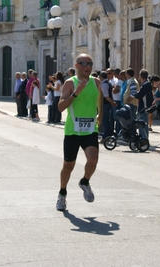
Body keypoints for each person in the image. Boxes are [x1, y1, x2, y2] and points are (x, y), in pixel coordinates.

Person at [56, 53, 103, 211]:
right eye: (84, 64)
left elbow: (99, 98)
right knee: (68, 166)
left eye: (90, 64)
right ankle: (62, 194)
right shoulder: (70, 83)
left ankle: (85, 181)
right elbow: (61, 107)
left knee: (93, 160)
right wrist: (76, 92)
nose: (88, 67)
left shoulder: (96, 82)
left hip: (90, 129)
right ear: (76, 66)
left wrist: (100, 114)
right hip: (73, 131)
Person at [134, 69, 153, 139]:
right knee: (142, 123)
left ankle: (144, 139)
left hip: (143, 107)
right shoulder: (146, 84)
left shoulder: (146, 85)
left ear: (141, 76)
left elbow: (138, 95)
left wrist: (135, 93)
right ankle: (143, 138)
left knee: (142, 124)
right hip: (143, 107)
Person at [99, 71, 116, 140]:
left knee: (105, 120)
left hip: (105, 104)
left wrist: (112, 102)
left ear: (101, 77)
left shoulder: (104, 85)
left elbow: (106, 96)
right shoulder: (108, 83)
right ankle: (107, 135)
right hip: (107, 104)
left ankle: (105, 136)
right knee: (107, 120)